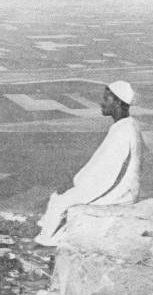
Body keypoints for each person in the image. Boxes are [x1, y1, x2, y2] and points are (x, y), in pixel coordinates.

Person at [34, 80, 142, 246]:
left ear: (118, 102)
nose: (102, 103)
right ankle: (51, 233)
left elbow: (110, 172)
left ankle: (46, 239)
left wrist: (80, 186)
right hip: (119, 188)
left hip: (118, 192)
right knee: (60, 198)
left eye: (107, 99)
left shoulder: (123, 131)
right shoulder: (126, 126)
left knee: (59, 201)